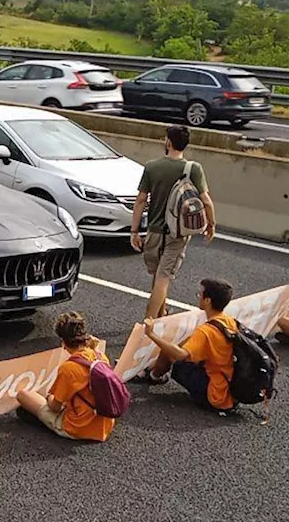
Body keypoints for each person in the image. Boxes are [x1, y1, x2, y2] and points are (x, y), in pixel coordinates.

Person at [129, 125, 217, 320]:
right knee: (164, 277)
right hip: (177, 233)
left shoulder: (152, 166)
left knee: (157, 276)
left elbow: (141, 200)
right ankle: (150, 323)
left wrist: (134, 231)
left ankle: (160, 314)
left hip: (154, 230)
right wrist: (211, 224)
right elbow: (206, 200)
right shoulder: (193, 168)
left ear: (168, 142)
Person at [138, 278, 238, 416]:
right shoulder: (229, 322)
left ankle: (154, 376)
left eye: (200, 294)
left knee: (169, 352)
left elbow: (179, 354)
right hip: (230, 390)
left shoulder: (206, 331)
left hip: (214, 396)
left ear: (208, 300)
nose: (198, 297)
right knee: (182, 346)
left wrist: (151, 334)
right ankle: (151, 369)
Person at [16, 312, 116, 442]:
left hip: (78, 427)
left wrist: (50, 396)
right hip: (104, 424)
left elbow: (55, 407)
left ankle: (51, 425)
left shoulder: (69, 368)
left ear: (63, 342)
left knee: (23, 395)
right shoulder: (101, 358)